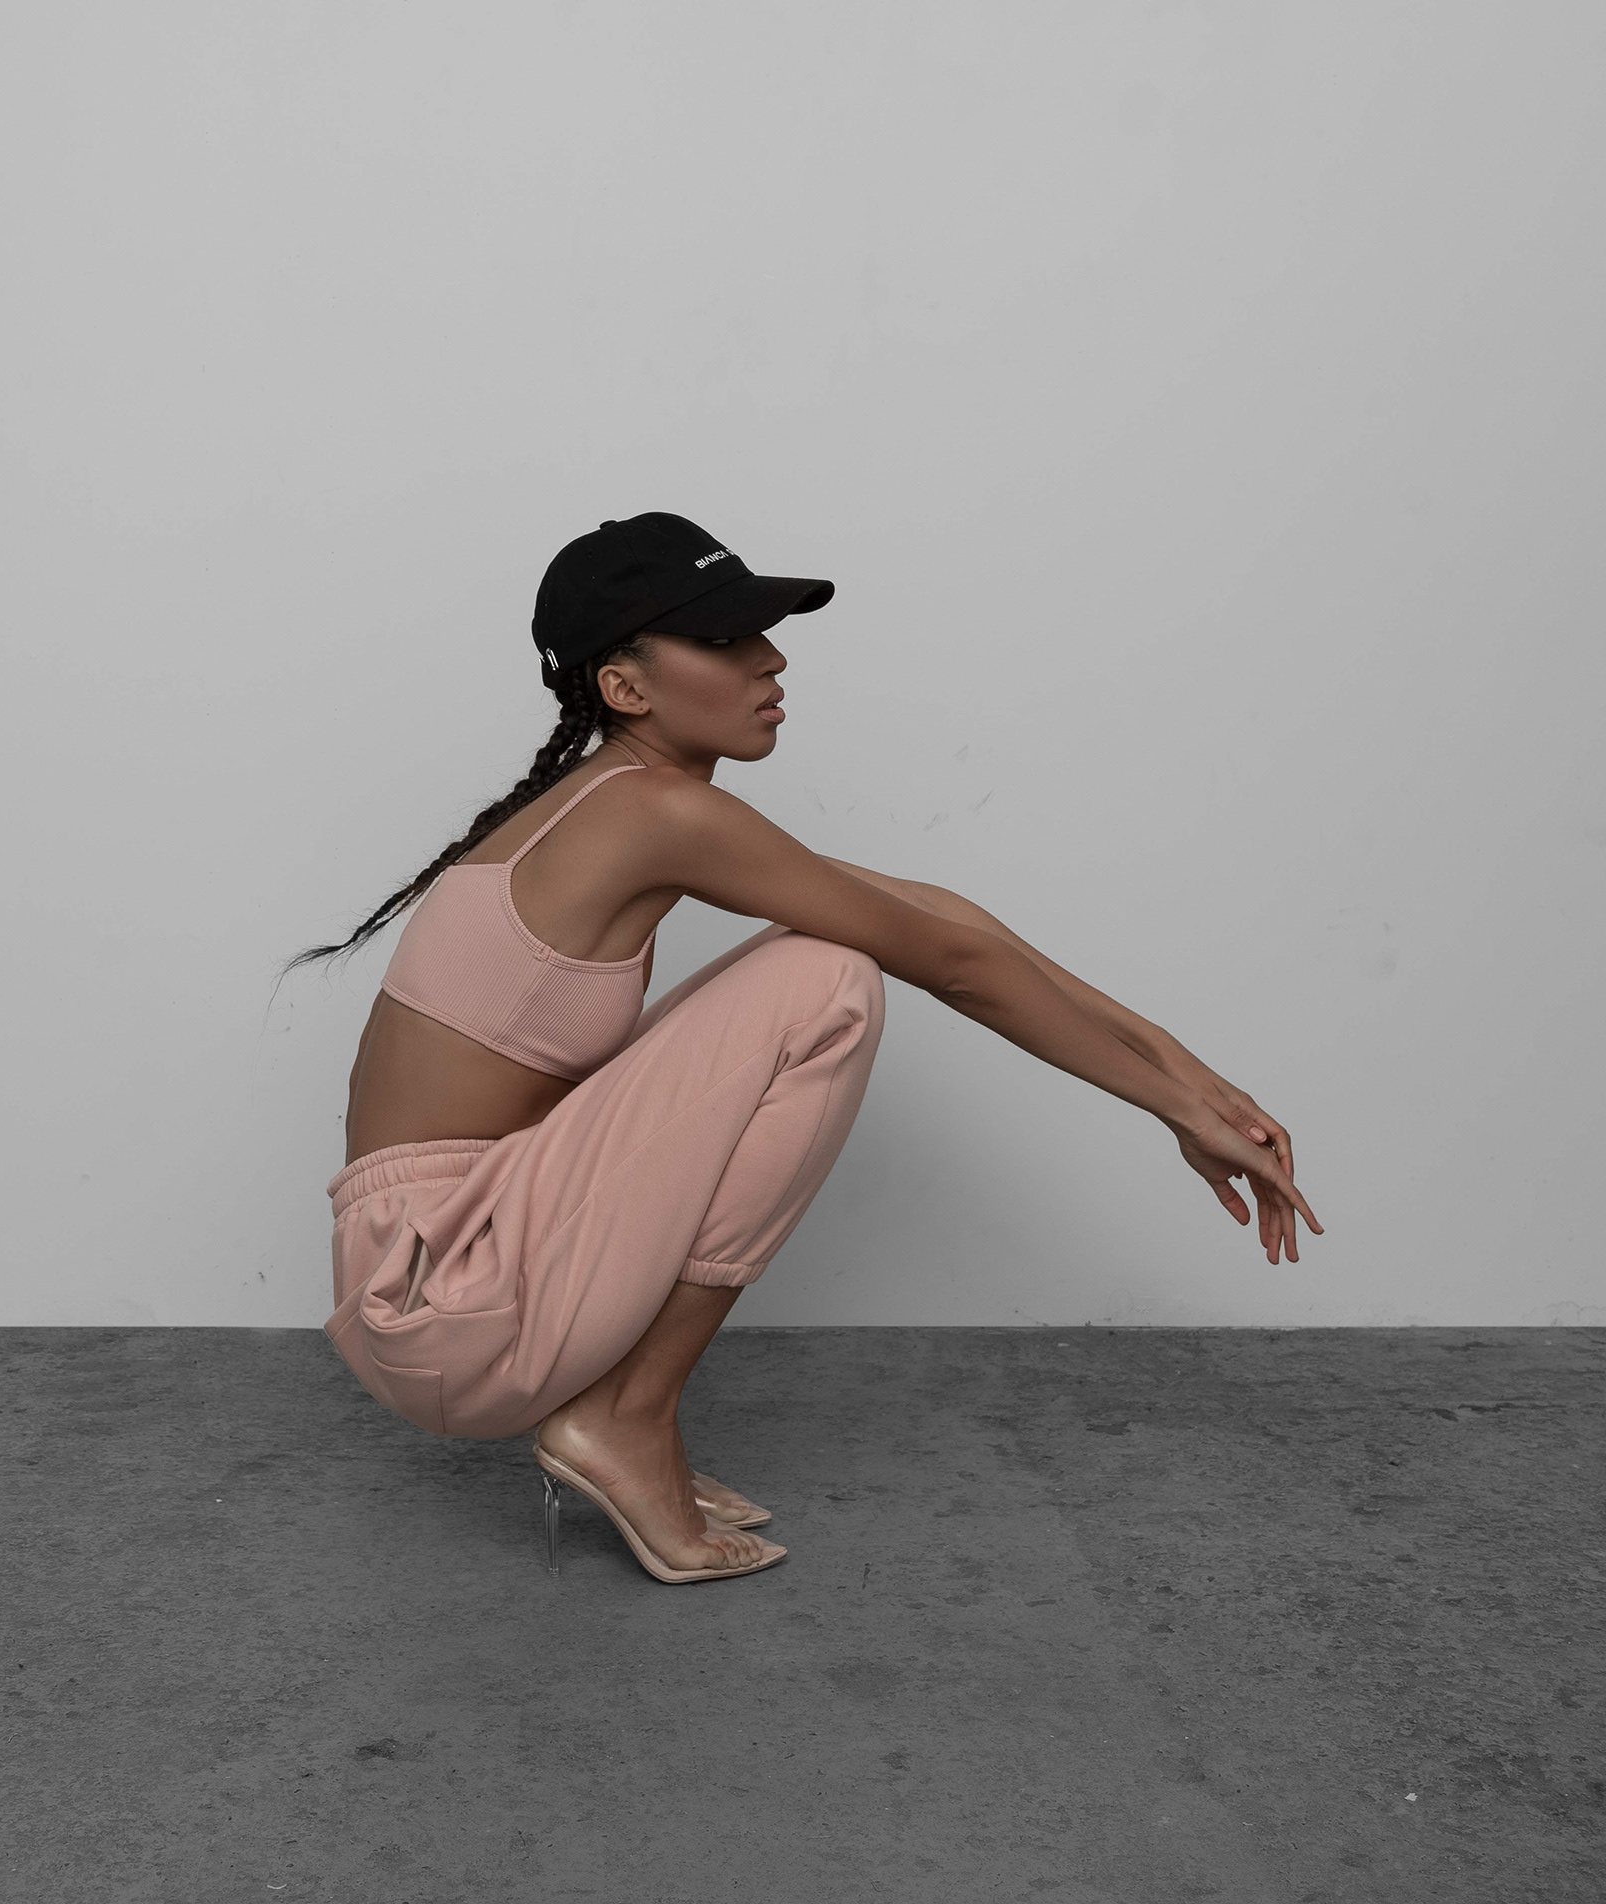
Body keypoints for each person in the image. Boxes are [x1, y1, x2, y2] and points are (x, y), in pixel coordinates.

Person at [290, 512, 1320, 1587]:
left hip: (436, 1267)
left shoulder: (615, 804)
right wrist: (1174, 1111)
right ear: (625, 687)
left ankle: (623, 1411)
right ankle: (625, 1416)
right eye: (725, 639)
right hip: (442, 1300)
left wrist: (1194, 1082)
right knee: (827, 981)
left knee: (836, 943)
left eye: (761, 632)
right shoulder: (652, 814)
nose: (771, 659)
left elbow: (938, 917)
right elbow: (949, 962)